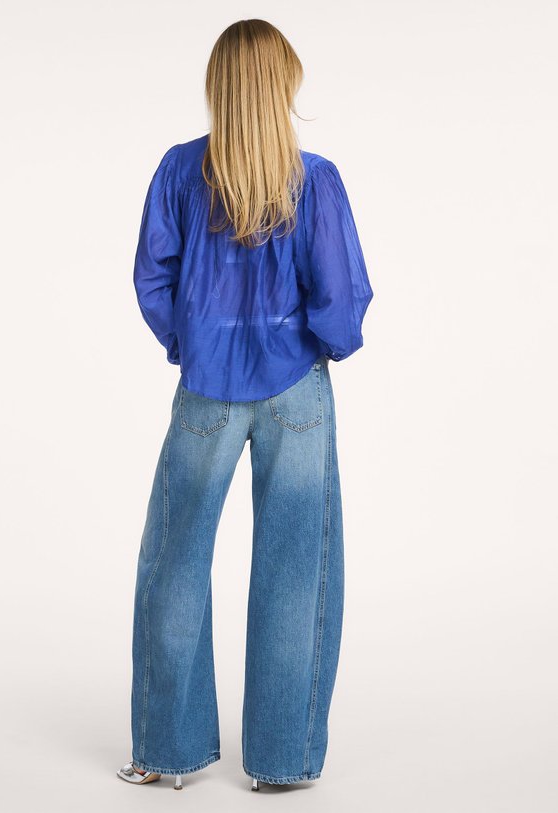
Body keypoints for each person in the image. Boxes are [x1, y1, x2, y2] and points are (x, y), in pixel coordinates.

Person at [116, 18, 374, 792]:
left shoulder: (179, 170)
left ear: (219, 86)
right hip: (297, 388)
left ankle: (165, 751)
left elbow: (152, 277)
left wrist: (191, 342)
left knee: (175, 559)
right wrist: (326, 343)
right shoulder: (314, 180)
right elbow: (341, 298)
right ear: (282, 84)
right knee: (299, 568)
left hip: (207, 387)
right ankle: (283, 761)